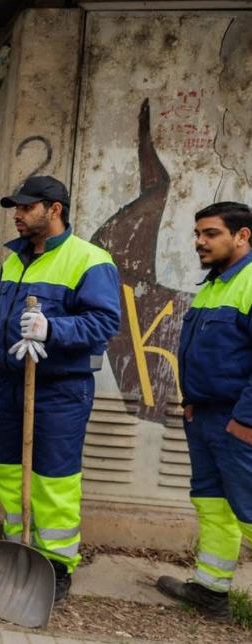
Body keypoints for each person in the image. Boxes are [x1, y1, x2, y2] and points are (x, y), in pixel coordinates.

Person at [0, 175, 121, 603]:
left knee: (54, 480)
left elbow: (104, 322)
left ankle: (55, 565)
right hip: (11, 385)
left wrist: (51, 328)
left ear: (54, 209)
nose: (18, 215)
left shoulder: (90, 260)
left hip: (59, 390)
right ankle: (17, 548)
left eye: (26, 208)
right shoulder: (14, 260)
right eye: (16, 208)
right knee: (8, 472)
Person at [155, 201, 252, 622]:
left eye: (210, 233)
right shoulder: (214, 285)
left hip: (239, 420)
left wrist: (246, 420)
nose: (199, 241)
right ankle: (211, 590)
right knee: (213, 506)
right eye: (197, 234)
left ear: (242, 236)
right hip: (208, 416)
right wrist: (193, 403)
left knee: (249, 511)